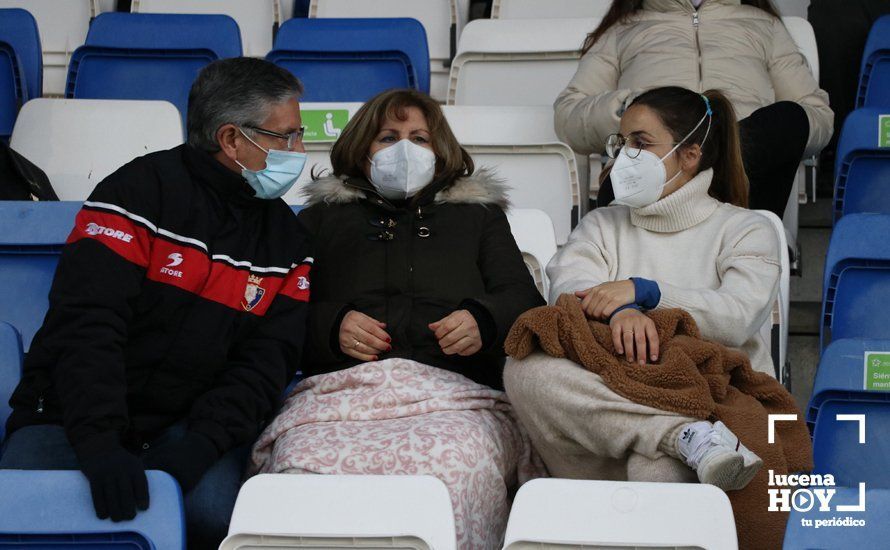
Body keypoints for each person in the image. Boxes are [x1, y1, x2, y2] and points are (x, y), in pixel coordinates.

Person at [0, 58, 313, 549]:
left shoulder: (288, 241)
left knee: (213, 519)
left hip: (185, 428)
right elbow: (87, 327)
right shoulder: (135, 194)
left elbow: (265, 362)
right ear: (232, 139)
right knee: (30, 512)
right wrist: (100, 443)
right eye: (287, 137)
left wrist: (201, 445)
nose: (299, 150)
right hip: (67, 416)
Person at [248, 89, 546, 550]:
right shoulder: (320, 221)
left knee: (455, 464)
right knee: (301, 465)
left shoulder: (480, 217)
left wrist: (484, 320)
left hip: (457, 399)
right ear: (362, 150)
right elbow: (277, 311)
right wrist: (332, 324)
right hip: (338, 398)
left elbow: (524, 302)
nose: (404, 149)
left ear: (440, 150)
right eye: (388, 137)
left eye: (419, 138)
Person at [506, 86, 780, 491]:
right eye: (621, 142)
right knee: (525, 368)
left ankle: (679, 441)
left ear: (690, 155)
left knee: (659, 470)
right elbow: (567, 287)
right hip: (619, 394)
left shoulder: (745, 228)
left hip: (709, 399)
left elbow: (737, 317)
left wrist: (647, 293)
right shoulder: (602, 224)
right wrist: (619, 311)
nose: (624, 155)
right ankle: (678, 436)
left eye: (641, 143)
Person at [555, 0, 833, 217]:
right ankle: (696, 165)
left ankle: (717, 162)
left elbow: (817, 116)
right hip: (655, 166)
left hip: (743, 170)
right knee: (648, 150)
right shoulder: (622, 30)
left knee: (789, 117)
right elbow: (568, 115)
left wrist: (731, 142)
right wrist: (631, 111)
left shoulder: (766, 26)